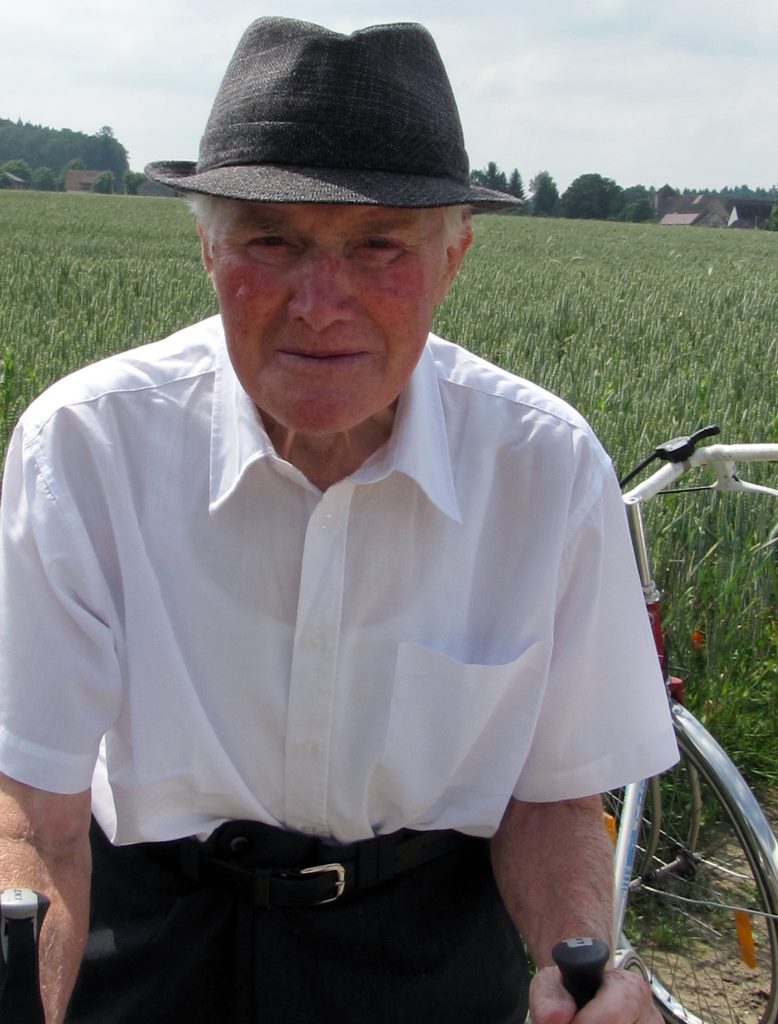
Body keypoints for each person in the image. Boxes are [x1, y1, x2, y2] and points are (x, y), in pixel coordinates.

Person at [0, 17, 677, 1024]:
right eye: (271, 241)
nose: (321, 302)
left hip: (427, 955)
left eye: (379, 247)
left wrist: (573, 966)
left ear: (454, 259)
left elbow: (548, 799)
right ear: (204, 246)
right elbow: (37, 812)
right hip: (149, 932)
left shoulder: (544, 467)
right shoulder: (88, 448)